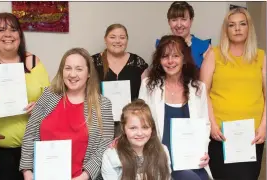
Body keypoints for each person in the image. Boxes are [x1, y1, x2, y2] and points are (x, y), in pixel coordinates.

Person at [0, 12, 50, 180]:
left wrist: (40, 108)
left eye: (13, 30)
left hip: (33, 147)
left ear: (20, 35)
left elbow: (50, 100)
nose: (8, 34)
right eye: (1, 30)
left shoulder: (34, 62)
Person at [20, 48, 115, 180]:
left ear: (88, 73)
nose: (72, 74)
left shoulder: (103, 104)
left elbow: (105, 146)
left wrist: (84, 176)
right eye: (68, 68)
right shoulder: (49, 95)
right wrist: (27, 172)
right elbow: (30, 134)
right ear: (62, 71)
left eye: (79, 69)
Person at [200, 7, 266, 180]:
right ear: (226, 29)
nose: (237, 28)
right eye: (232, 25)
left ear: (249, 28)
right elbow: (202, 91)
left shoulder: (261, 56)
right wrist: (212, 123)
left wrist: (264, 126)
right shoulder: (214, 55)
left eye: (242, 24)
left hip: (252, 134)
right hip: (221, 134)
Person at [139, 35, 212, 180]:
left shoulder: (198, 88)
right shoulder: (148, 86)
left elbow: (205, 125)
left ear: (184, 59)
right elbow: (139, 121)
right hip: (159, 159)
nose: (170, 61)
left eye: (176, 56)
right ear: (159, 60)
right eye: (165, 56)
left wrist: (203, 152)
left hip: (190, 159)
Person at [92, 23, 148, 136]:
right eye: (112, 37)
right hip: (100, 125)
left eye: (122, 37)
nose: (117, 41)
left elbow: (146, 94)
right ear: (105, 39)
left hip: (131, 125)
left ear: (127, 40)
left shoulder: (138, 63)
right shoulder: (92, 62)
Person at [102, 99, 171, 180]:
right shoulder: (111, 156)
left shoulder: (163, 151)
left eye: (145, 127)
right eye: (133, 128)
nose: (140, 133)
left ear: (152, 128)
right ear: (123, 129)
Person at [156, 1, 211, 68]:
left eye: (183, 19)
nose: (179, 25)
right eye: (174, 20)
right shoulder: (161, 45)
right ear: (169, 22)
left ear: (191, 21)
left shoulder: (204, 47)